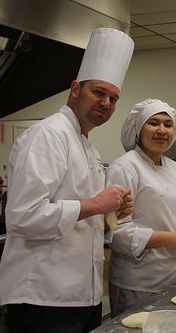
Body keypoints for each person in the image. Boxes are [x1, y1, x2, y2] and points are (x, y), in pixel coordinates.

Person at [0, 28, 135, 333]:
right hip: (42, 297)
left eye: (113, 98)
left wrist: (109, 214)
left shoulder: (86, 146)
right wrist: (94, 205)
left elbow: (79, 221)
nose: (106, 103)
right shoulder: (48, 135)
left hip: (81, 296)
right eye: (98, 92)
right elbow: (23, 217)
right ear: (75, 89)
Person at [105, 98, 176, 317]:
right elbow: (115, 232)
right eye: (153, 123)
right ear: (138, 128)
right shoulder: (125, 168)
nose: (161, 130)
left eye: (168, 124)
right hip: (139, 282)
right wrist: (172, 239)